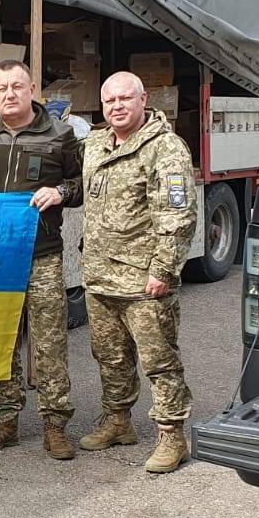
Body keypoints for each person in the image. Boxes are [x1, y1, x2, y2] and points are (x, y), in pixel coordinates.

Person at [78, 71, 197, 474]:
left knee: (159, 359)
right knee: (109, 357)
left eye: (125, 98)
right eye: (109, 100)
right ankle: (118, 421)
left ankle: (171, 434)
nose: (116, 106)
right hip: (99, 276)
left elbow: (178, 215)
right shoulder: (95, 143)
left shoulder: (166, 150)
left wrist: (163, 269)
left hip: (144, 280)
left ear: (143, 99)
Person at [0, 60, 82, 460]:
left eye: (17, 86)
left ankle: (55, 424)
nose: (10, 94)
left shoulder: (60, 135)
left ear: (32, 88)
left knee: (49, 343)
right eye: (1, 89)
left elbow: (84, 184)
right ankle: (5, 419)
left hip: (42, 256)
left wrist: (61, 192)